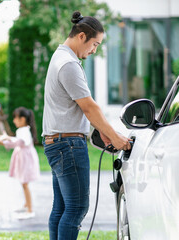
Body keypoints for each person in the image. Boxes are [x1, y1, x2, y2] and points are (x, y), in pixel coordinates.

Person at [42, 11, 132, 239]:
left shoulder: (59, 57)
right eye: (95, 44)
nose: (94, 51)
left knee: (62, 208)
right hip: (68, 145)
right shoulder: (68, 64)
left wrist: (103, 132)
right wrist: (116, 137)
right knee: (76, 208)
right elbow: (89, 107)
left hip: (57, 142)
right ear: (81, 36)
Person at [0, 107, 40, 219]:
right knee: (23, 182)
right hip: (23, 158)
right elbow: (17, 140)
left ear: (22, 119)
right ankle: (26, 204)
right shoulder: (23, 130)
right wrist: (7, 138)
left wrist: (0, 142)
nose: (14, 121)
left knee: (25, 183)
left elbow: (17, 142)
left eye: (15, 118)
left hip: (26, 160)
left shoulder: (24, 130)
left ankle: (30, 210)